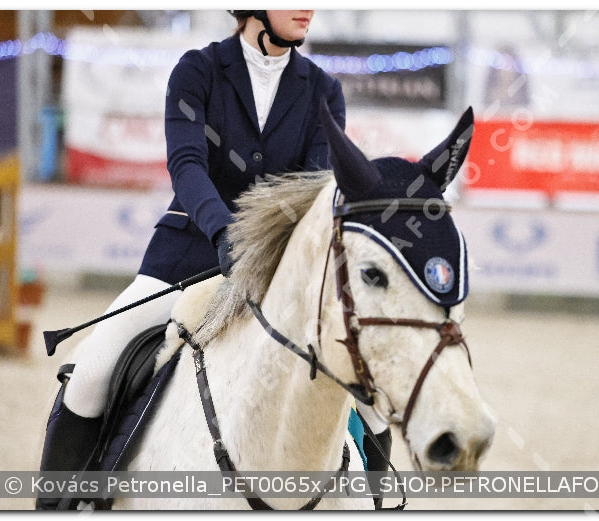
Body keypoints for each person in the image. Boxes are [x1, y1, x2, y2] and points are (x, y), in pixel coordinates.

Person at [36, 10, 397, 510]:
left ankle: (377, 504)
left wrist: (260, 246)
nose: (308, 8)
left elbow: (310, 186)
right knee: (94, 371)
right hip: (186, 257)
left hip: (277, 270)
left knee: (373, 407)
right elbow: (186, 164)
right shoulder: (198, 70)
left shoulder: (323, 90)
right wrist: (223, 231)